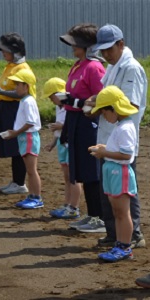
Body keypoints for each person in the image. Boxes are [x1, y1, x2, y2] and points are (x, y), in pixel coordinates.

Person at [91, 24, 147, 248]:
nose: (105, 55)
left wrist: (99, 105)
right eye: (102, 50)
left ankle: (134, 235)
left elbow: (130, 104)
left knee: (125, 191)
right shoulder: (114, 66)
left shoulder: (132, 68)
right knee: (109, 190)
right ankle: (113, 233)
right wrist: (94, 102)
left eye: (109, 49)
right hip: (108, 134)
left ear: (121, 44)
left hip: (122, 137)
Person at [58, 23, 106, 231]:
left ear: (88, 46)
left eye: (76, 45)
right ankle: (92, 213)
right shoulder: (78, 65)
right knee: (82, 170)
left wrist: (78, 103)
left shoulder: (95, 67)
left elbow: (101, 99)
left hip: (89, 123)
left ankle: (100, 217)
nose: (73, 48)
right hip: (75, 120)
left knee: (91, 171)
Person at [89, 85, 138, 262]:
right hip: (113, 171)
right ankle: (120, 243)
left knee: (122, 212)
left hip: (119, 172)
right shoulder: (121, 126)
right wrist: (105, 149)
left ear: (114, 109)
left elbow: (127, 155)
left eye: (104, 112)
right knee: (117, 211)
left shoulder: (125, 128)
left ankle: (125, 247)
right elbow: (119, 149)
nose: (103, 116)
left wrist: (105, 153)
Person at [0, 32, 31, 195]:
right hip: (6, 109)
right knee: (12, 147)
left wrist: (2, 92)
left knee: (17, 147)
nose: (3, 53)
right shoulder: (10, 66)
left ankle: (20, 183)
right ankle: (16, 181)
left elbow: (21, 92)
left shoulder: (22, 68)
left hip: (15, 109)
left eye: (5, 50)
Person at [42, 78, 81, 219]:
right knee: (67, 177)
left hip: (70, 143)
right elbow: (60, 130)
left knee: (74, 178)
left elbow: (74, 126)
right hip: (62, 144)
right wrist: (53, 143)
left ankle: (74, 207)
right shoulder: (59, 108)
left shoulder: (71, 107)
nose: (51, 100)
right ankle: (67, 204)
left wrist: (61, 127)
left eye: (51, 97)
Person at [3, 69, 43, 209]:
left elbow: (30, 122)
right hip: (24, 137)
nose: (16, 87)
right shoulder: (25, 100)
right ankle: (32, 196)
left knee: (32, 170)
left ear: (26, 86)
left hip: (28, 137)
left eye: (18, 84)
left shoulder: (28, 101)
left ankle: (37, 197)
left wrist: (15, 133)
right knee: (29, 170)